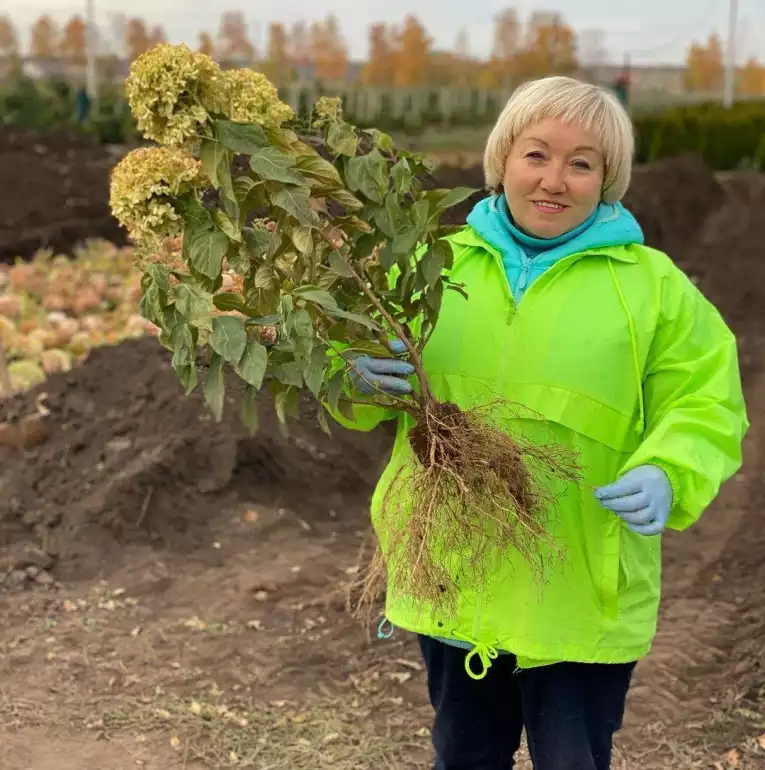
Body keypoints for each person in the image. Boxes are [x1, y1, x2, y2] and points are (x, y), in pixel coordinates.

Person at [338, 76, 748, 770]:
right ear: (501, 160)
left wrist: (666, 470)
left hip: (576, 581)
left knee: (572, 758)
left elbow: (705, 400)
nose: (554, 180)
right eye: (536, 155)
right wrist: (345, 373)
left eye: (581, 163)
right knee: (464, 753)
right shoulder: (429, 267)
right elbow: (355, 360)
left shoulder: (651, 288)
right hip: (455, 569)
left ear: (607, 179)